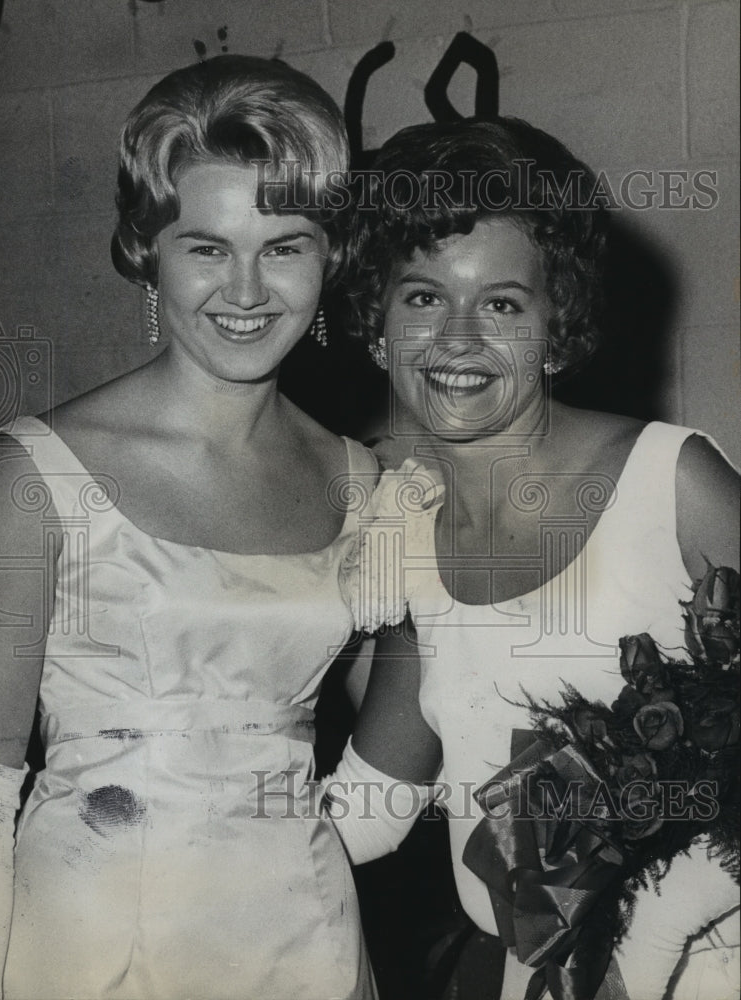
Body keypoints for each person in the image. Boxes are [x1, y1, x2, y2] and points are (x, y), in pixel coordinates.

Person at [0, 55, 379, 1000]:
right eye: (206, 247)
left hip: (303, 935)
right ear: (147, 252)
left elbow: (427, 711)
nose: (245, 289)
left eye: (285, 246)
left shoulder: (365, 483)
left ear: (330, 256)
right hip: (93, 941)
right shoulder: (36, 473)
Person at [329, 119, 740, 999]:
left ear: (557, 329)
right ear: (375, 322)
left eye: (503, 303)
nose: (459, 339)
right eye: (423, 297)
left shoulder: (672, 482)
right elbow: (372, 809)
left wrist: (651, 925)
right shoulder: (403, 535)